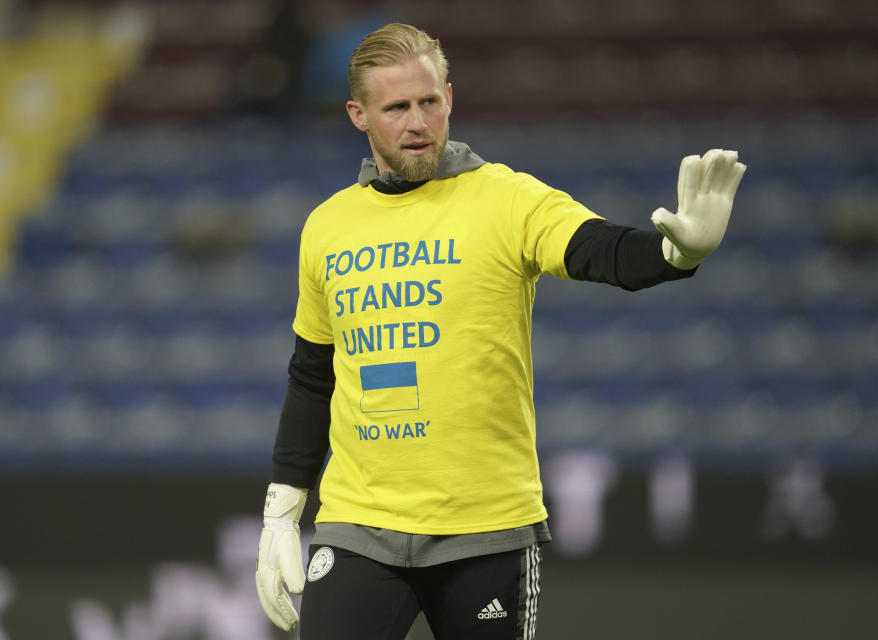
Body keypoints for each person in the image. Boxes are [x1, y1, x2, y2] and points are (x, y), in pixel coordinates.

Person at [255, 22, 745, 640]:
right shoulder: (327, 226)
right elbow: (312, 374)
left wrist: (677, 255)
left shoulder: (508, 201)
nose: (417, 122)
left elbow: (602, 251)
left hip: (487, 529)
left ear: (450, 99)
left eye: (429, 102)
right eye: (397, 107)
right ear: (359, 114)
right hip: (361, 526)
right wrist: (282, 509)